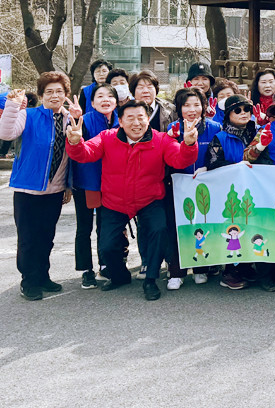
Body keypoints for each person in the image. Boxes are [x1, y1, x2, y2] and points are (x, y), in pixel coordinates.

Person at [66, 99, 199, 301]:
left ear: (148, 119)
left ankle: (151, 279)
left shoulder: (161, 139)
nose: (136, 123)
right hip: (115, 201)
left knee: (158, 231)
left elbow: (180, 159)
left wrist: (188, 144)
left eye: (141, 118)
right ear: (120, 121)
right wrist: (76, 142)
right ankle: (120, 276)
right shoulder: (107, 137)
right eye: (130, 118)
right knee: (107, 246)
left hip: (150, 198)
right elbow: (86, 154)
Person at [0, 72, 74, 301]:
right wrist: (12, 105)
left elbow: (70, 156)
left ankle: (42, 276)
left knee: (46, 237)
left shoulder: (70, 119)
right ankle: (29, 281)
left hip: (55, 190)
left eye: (59, 91)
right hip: (28, 189)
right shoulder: (28, 115)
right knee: (28, 239)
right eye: (49, 91)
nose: (54, 95)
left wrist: (67, 186)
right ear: (41, 95)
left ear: (66, 95)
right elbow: (6, 133)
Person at [163, 87, 222, 291]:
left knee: (202, 225)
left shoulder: (215, 127)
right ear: (179, 108)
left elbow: (219, 155)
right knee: (177, 228)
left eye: (196, 104)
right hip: (178, 186)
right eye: (186, 105)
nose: (192, 109)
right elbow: (168, 156)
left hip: (206, 185)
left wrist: (209, 169)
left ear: (204, 107)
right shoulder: (173, 128)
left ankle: (200, 268)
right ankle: (176, 272)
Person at [204, 95, 263, 291]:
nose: (243, 113)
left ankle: (246, 267)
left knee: (252, 226)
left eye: (247, 109)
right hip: (229, 192)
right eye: (237, 110)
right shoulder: (220, 138)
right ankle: (230, 271)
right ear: (228, 114)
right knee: (233, 230)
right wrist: (237, 166)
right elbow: (213, 163)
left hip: (254, 190)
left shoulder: (257, 133)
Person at [71, 83, 120, 289]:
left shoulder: (122, 121)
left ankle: (105, 264)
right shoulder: (85, 120)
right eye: (100, 96)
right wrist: (75, 119)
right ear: (92, 102)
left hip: (112, 184)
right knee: (84, 227)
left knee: (105, 226)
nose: (105, 100)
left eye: (110, 96)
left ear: (116, 101)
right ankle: (86, 270)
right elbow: (76, 143)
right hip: (87, 182)